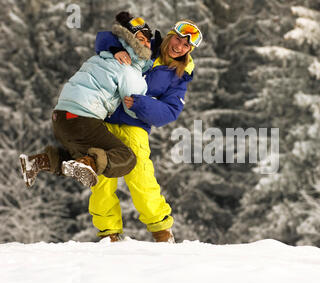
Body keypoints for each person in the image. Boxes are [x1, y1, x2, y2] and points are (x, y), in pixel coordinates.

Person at [90, 20, 203, 243]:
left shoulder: (178, 76)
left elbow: (170, 111)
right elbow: (104, 36)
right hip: (105, 119)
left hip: (135, 126)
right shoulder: (145, 43)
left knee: (141, 177)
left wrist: (141, 105)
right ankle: (109, 233)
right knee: (102, 177)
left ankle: (161, 230)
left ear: (189, 51)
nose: (179, 46)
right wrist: (117, 49)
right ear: (170, 36)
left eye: (185, 46)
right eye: (178, 39)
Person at [19, 12, 153, 189]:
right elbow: (133, 106)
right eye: (140, 39)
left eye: (148, 40)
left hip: (60, 118)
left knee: (78, 155)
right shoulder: (128, 68)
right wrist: (151, 103)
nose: (146, 44)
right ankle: (88, 164)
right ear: (129, 40)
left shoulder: (101, 57)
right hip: (83, 119)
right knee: (126, 157)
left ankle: (37, 162)